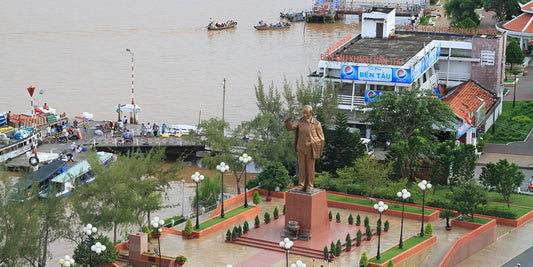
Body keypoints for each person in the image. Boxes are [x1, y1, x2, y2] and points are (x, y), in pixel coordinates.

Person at [284, 105, 325, 193]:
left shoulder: (316, 124)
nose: (305, 115)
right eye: (303, 113)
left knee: (310, 168)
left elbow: (321, 138)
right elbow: (290, 128)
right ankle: (301, 185)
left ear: (311, 113)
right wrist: (287, 123)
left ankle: (310, 186)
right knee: (302, 167)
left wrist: (311, 143)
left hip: (310, 149)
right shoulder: (300, 122)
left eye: (306, 113)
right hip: (301, 148)